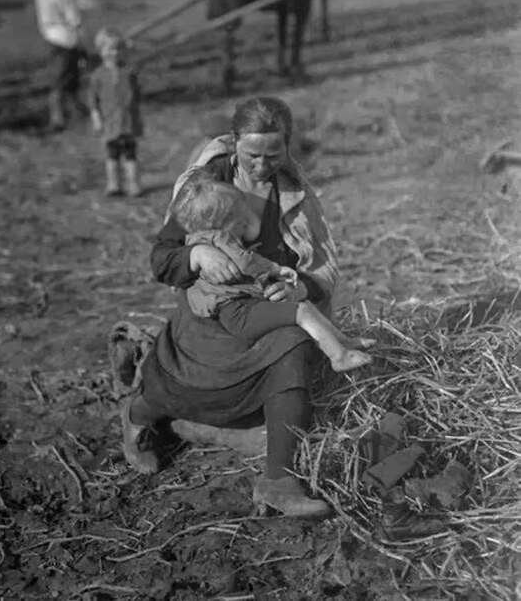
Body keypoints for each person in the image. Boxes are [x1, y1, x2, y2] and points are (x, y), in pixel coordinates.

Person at [121, 96, 358, 518]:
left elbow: (319, 269)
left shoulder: (295, 195)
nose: (262, 166)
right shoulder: (206, 186)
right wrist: (196, 257)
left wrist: (295, 287)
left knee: (293, 345)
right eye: (252, 155)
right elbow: (162, 259)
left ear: (289, 146)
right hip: (209, 317)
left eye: (274, 154)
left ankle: (278, 482)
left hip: (260, 309)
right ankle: (137, 418)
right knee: (173, 389)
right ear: (233, 143)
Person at [169, 174, 374, 372]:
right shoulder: (219, 239)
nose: (244, 224)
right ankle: (339, 358)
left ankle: (341, 341)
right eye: (239, 220)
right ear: (220, 223)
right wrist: (276, 269)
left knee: (304, 306)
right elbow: (246, 261)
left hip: (242, 306)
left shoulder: (200, 240)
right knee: (301, 312)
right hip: (239, 313)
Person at [34, 0, 88, 130]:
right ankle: (57, 118)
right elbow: (73, 17)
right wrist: (82, 40)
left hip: (50, 36)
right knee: (63, 79)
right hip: (65, 38)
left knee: (67, 77)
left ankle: (77, 109)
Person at [89, 29, 143, 197]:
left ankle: (133, 184)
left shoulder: (128, 72)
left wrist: (137, 117)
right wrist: (96, 118)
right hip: (109, 122)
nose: (114, 53)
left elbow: (137, 94)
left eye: (118, 49)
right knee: (112, 155)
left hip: (128, 121)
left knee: (130, 154)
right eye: (109, 49)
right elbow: (93, 100)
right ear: (100, 51)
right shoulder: (98, 75)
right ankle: (113, 184)